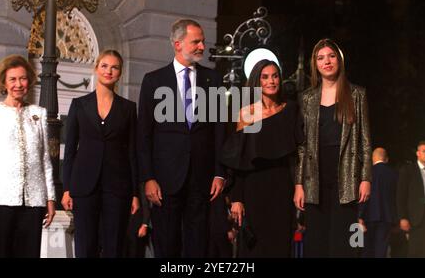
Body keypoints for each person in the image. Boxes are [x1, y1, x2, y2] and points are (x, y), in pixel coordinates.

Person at [137, 19, 225, 257]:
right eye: (196, 41)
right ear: (177, 44)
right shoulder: (153, 81)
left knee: (198, 245)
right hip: (164, 181)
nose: (202, 46)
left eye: (203, 41)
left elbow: (219, 130)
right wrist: (148, 178)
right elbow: (143, 135)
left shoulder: (213, 80)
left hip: (201, 179)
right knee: (166, 245)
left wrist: (219, 172)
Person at [294, 38, 372, 258]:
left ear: (339, 60)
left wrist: (366, 178)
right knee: (316, 242)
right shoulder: (307, 98)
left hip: (346, 176)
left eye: (331, 56)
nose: (326, 61)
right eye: (320, 58)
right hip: (314, 177)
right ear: (315, 64)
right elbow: (302, 147)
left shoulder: (357, 94)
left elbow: (365, 140)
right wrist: (299, 184)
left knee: (343, 242)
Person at [61, 50, 139, 258]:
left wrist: (134, 193)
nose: (109, 71)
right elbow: (70, 150)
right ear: (96, 69)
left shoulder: (129, 108)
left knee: (114, 247)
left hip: (118, 187)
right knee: (85, 245)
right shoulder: (79, 105)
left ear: (120, 73)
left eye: (114, 67)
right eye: (104, 66)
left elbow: (132, 152)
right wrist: (67, 187)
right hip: (84, 185)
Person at [221, 59, 303, 257]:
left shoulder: (291, 110)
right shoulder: (245, 114)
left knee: (280, 247)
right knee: (253, 249)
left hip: (282, 188)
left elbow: (299, 154)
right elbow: (237, 162)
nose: (271, 81)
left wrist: (299, 186)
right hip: (253, 189)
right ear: (256, 82)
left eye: (275, 76)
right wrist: (237, 199)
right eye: (265, 77)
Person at [0, 55, 55, 258]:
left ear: (29, 81)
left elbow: (45, 160)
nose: (18, 84)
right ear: (4, 83)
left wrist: (50, 198)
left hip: (34, 200)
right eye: (12, 79)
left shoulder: (38, 113)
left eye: (22, 79)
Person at [359, 147, 398, 258]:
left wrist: (359, 216)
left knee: (364, 250)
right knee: (381, 252)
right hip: (387, 218)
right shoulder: (394, 174)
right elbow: (397, 197)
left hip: (367, 217)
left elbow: (362, 196)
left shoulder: (366, 174)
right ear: (386, 159)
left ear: (372, 158)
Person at [397, 140, 425, 257]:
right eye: (423, 151)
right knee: (415, 250)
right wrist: (403, 217)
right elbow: (401, 195)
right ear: (418, 153)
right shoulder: (408, 171)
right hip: (415, 217)